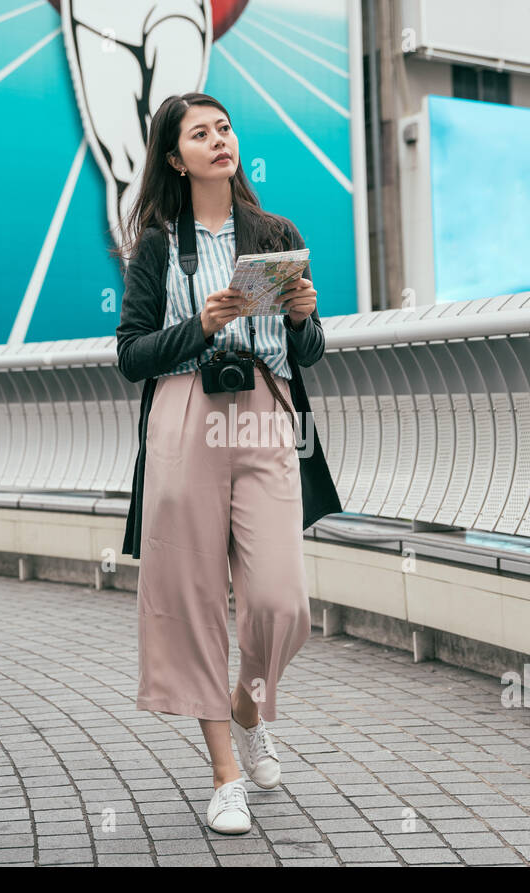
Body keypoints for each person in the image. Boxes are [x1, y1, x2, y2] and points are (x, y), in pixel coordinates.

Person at [113, 93, 343, 834]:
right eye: (200, 134)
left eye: (225, 128)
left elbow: (306, 353)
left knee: (283, 603)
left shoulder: (274, 233)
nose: (220, 141)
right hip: (184, 416)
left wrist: (305, 317)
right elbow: (130, 355)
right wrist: (198, 326)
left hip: (267, 416)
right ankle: (225, 774)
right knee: (191, 600)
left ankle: (249, 704)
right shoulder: (155, 243)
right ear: (176, 158)